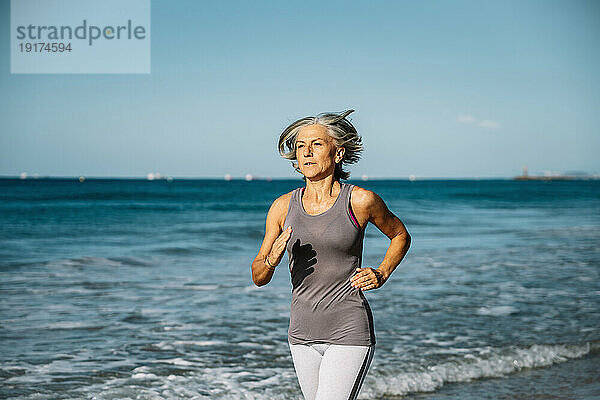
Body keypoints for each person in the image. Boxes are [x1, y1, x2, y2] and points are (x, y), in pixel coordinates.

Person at [251, 109, 411, 400]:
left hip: (348, 330)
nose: (307, 153)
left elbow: (400, 235)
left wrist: (382, 272)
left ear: (337, 154)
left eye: (317, 144)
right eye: (300, 146)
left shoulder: (361, 200)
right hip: (300, 334)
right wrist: (272, 260)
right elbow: (258, 277)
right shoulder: (282, 207)